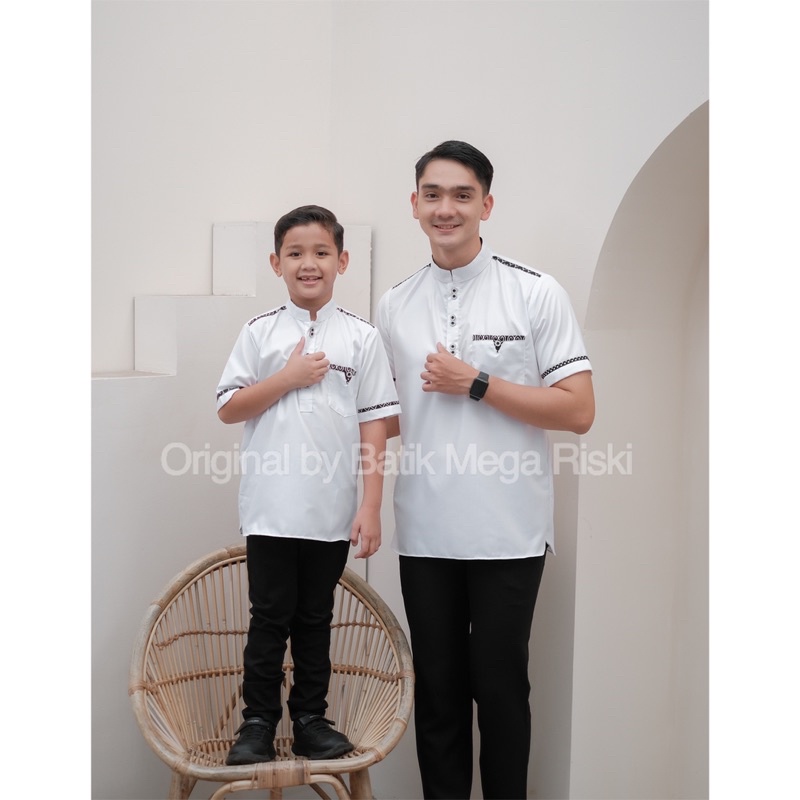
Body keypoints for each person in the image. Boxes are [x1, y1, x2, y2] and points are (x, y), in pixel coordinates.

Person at [375, 141, 595, 799]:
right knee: (438, 695)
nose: (446, 208)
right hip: (425, 532)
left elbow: (578, 409)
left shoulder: (535, 291)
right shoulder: (394, 303)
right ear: (415, 204)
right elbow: (390, 413)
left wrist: (476, 382)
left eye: (462, 195)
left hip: (509, 532)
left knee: (500, 691)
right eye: (433, 195)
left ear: (486, 206)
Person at [217, 205, 400, 765]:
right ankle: (256, 724)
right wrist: (287, 378)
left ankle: (311, 721)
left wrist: (371, 505)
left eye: (321, 252)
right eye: (295, 253)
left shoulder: (363, 338)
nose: (308, 263)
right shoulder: (259, 332)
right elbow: (229, 407)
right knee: (269, 618)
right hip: (271, 509)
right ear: (276, 263)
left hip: (330, 512)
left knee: (316, 619)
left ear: (342, 261)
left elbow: (375, 424)